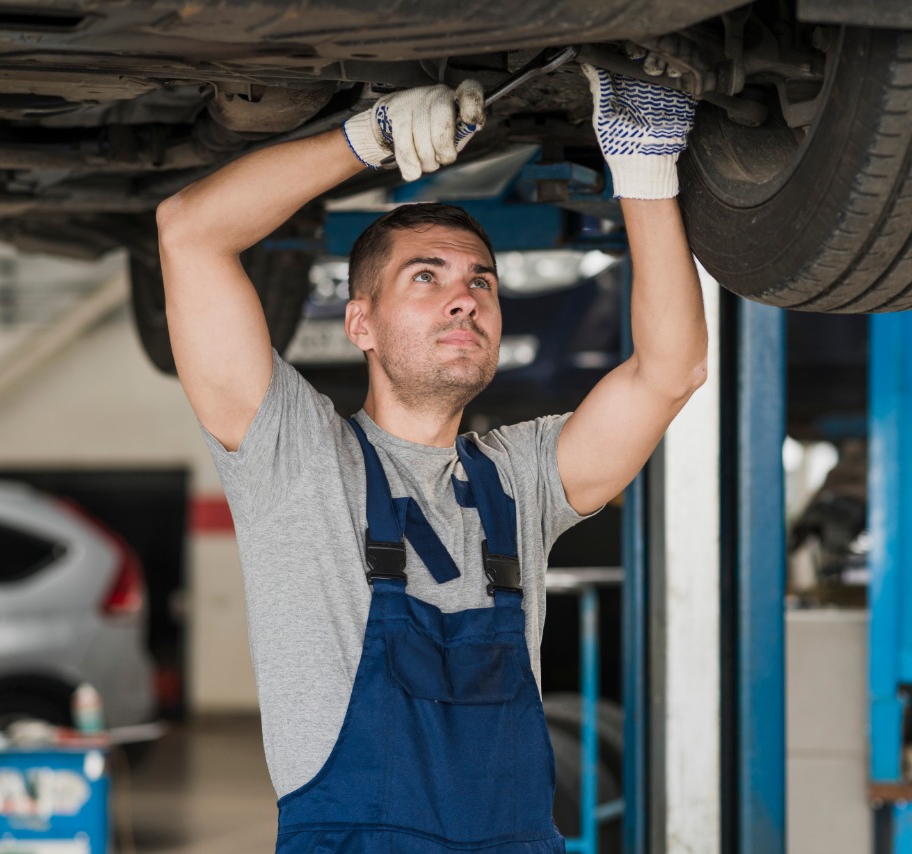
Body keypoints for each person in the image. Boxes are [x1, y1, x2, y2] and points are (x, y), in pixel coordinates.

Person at [156, 64, 708, 852]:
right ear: (361, 323)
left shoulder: (519, 479)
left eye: (481, 281)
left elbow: (671, 370)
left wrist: (644, 164)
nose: (466, 298)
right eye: (427, 277)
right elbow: (189, 231)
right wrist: (366, 138)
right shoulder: (298, 459)